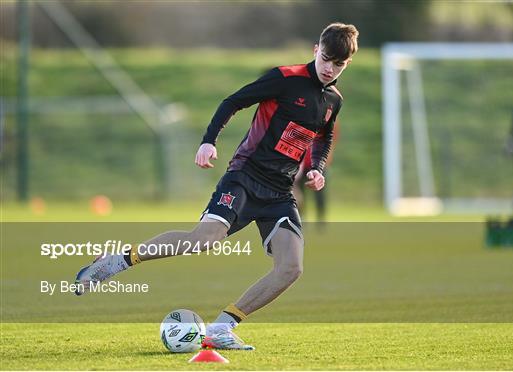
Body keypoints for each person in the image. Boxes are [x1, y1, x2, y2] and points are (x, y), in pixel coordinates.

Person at [74, 22, 359, 350]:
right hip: (245, 177)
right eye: (325, 58)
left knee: (291, 268)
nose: (328, 68)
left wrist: (317, 168)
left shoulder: (333, 100)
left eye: (337, 64)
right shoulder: (285, 78)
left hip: (279, 192)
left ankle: (222, 328)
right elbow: (233, 101)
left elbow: (323, 137)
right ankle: (114, 262)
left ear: (346, 64)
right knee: (202, 240)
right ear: (315, 50)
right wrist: (208, 141)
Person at [292, 121, 339, 224]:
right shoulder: (304, 116)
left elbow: (331, 140)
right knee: (300, 192)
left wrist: (325, 160)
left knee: (320, 193)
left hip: (319, 165)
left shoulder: (329, 118)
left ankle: (321, 220)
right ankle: (301, 218)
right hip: (303, 162)